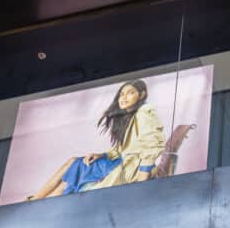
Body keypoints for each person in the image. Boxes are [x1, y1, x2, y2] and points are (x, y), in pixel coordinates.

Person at [29, 79, 165, 199]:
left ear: (141, 95)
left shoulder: (144, 112)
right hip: (120, 163)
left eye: (130, 93)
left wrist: (142, 181)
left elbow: (152, 146)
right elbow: (122, 149)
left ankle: (36, 201)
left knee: (75, 168)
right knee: (74, 163)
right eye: (121, 94)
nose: (124, 97)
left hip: (131, 169)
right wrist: (102, 155)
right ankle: (37, 200)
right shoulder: (130, 116)